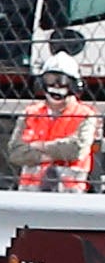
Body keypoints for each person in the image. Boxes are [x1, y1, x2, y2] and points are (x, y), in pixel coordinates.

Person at [5, 53, 97, 192]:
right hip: (29, 196)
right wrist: (55, 154)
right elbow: (15, 153)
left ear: (73, 85)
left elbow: (76, 149)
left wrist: (37, 147)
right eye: (50, 79)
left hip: (68, 196)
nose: (56, 85)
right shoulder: (30, 113)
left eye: (62, 80)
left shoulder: (85, 115)